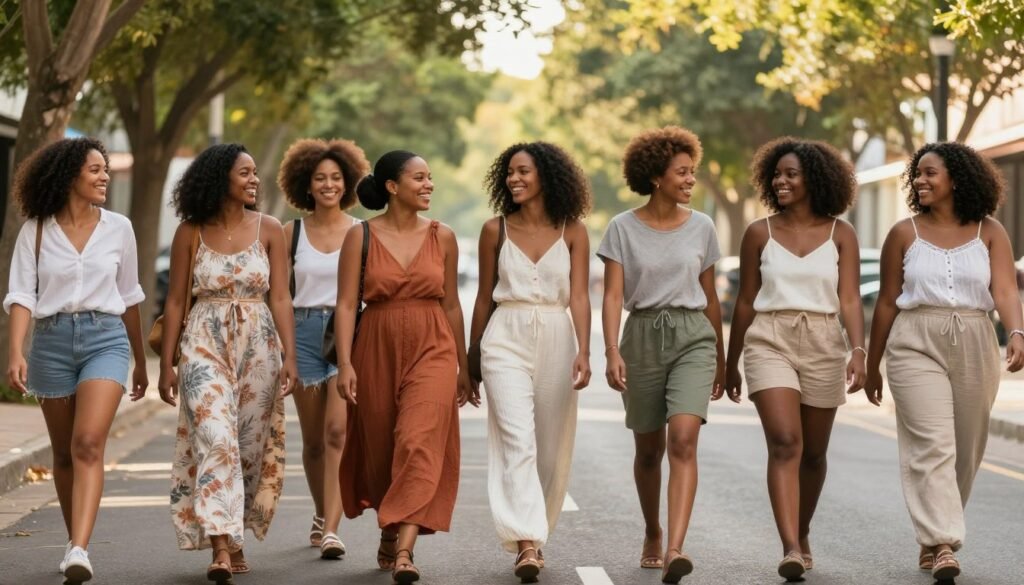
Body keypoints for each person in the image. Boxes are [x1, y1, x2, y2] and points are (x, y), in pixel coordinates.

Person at [863, 142, 1024, 581]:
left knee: (966, 450)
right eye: (917, 174)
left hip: (975, 336)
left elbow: (1005, 290)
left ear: (957, 179)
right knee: (932, 445)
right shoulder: (903, 233)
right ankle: (942, 543)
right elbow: (887, 302)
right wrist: (873, 364)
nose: (920, 180)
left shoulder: (989, 231)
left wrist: (1017, 332)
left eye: (929, 173)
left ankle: (935, 534)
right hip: (915, 340)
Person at [4, 137, 147, 583]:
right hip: (51, 342)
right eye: (95, 169)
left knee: (87, 443)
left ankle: (81, 548)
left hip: (106, 340)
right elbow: (22, 295)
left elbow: (129, 297)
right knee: (64, 453)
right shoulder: (36, 231)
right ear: (69, 176)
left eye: (105, 169)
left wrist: (142, 361)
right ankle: (73, 542)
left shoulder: (119, 228)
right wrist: (15, 351)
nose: (105, 177)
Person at [724, 137, 864, 580]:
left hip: (824, 339)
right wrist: (730, 361)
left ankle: (802, 531)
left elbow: (850, 299)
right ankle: (789, 548)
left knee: (814, 454)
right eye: (776, 175)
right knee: (786, 441)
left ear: (814, 180)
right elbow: (746, 301)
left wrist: (859, 351)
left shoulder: (842, 234)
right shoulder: (758, 232)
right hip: (770, 338)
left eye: (791, 174)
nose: (779, 181)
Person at [158, 143, 298, 583]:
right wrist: (166, 365)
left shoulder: (270, 229)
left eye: (255, 172)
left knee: (248, 445)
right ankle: (220, 544)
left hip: (259, 344)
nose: (254, 180)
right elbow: (175, 300)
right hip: (204, 341)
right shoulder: (190, 231)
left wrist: (290, 356)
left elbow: (281, 297)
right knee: (217, 439)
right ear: (220, 178)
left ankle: (234, 532)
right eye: (245, 173)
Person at [335, 150, 471, 584]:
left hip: (433, 346)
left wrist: (464, 366)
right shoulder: (360, 236)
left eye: (430, 177)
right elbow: (345, 304)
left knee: (418, 442)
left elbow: (451, 305)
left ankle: (406, 552)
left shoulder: (442, 236)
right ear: (392, 187)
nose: (429, 184)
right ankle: (390, 527)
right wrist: (344, 363)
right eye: (419, 178)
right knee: (380, 450)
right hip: (375, 345)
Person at [598, 126, 725, 584]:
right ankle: (652, 529)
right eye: (682, 172)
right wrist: (611, 350)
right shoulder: (621, 228)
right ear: (656, 177)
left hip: (693, 336)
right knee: (649, 451)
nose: (691, 179)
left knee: (683, 441)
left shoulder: (703, 226)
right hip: (642, 336)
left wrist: (722, 356)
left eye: (692, 171)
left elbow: (710, 296)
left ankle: (675, 547)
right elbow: (613, 296)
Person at [469, 142, 592, 581]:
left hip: (558, 336)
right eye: (509, 172)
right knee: (517, 440)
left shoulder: (573, 231)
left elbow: (580, 296)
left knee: (548, 446)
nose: (514, 179)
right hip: (505, 338)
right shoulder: (494, 230)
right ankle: (526, 543)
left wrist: (585, 350)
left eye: (523, 171)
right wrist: (471, 359)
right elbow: (483, 298)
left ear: (547, 176)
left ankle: (535, 533)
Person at [278, 138, 369, 558]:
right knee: (314, 441)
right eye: (320, 178)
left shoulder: (361, 231)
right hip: (303, 333)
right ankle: (320, 513)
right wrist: (287, 352)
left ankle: (332, 529)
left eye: (336, 177)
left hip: (348, 334)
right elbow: (279, 295)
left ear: (347, 182)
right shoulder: (290, 232)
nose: (328, 185)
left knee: (337, 432)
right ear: (306, 184)